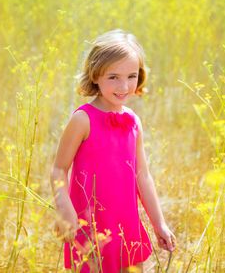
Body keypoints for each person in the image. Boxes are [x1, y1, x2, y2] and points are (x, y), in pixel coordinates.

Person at [50, 29, 176, 273]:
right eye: (113, 77)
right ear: (96, 75)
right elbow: (58, 169)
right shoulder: (83, 119)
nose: (124, 86)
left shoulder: (133, 121)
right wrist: (64, 208)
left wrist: (159, 223)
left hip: (126, 224)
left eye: (131, 76)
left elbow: (143, 176)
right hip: (90, 225)